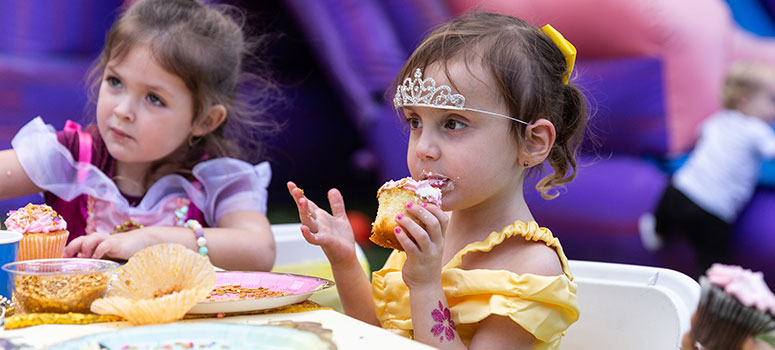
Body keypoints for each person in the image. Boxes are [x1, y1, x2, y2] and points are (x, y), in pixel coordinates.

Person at [288, 12, 586, 350]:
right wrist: (345, 262)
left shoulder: (529, 268)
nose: (424, 149)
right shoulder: (426, 230)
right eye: (415, 122)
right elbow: (375, 336)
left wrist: (427, 286)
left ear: (532, 142)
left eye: (453, 124)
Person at [0, 0, 279, 271]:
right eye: (115, 82)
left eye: (154, 99)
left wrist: (152, 240)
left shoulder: (215, 180)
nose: (123, 110)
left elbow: (259, 250)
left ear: (205, 120)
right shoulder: (72, 157)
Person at [640, 61, 775, 273]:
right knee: (713, 265)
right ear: (744, 100)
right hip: (714, 211)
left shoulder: (718, 120)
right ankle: (707, 297)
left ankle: (657, 229)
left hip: (681, 191)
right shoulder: (757, 130)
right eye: (771, 101)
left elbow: (701, 134)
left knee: (666, 206)